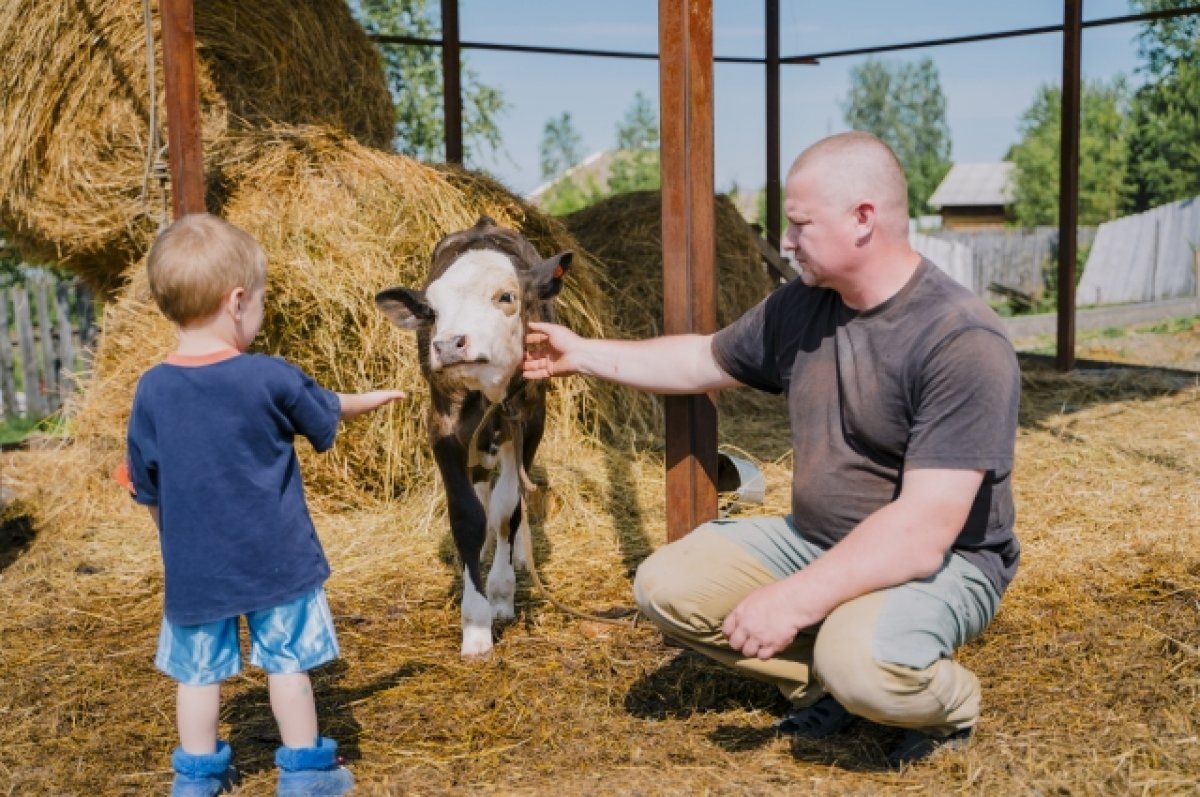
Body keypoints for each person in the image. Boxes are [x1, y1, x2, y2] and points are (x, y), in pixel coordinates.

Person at [523, 131, 1020, 766]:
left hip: (947, 561)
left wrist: (793, 599)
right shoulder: (803, 305)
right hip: (816, 536)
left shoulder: (960, 339)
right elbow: (703, 358)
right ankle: (830, 682)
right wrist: (583, 354)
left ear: (862, 218)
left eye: (800, 224)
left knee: (862, 663)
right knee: (665, 586)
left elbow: (923, 532)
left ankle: (945, 702)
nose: (786, 240)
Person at [115, 213, 406, 796]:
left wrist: (174, 544)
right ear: (238, 301)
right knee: (287, 665)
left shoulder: (151, 389)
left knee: (197, 678)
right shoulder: (269, 377)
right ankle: (305, 774)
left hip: (195, 569)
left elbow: (145, 485)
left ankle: (195, 782)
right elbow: (326, 406)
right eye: (263, 302)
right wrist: (374, 398)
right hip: (278, 563)